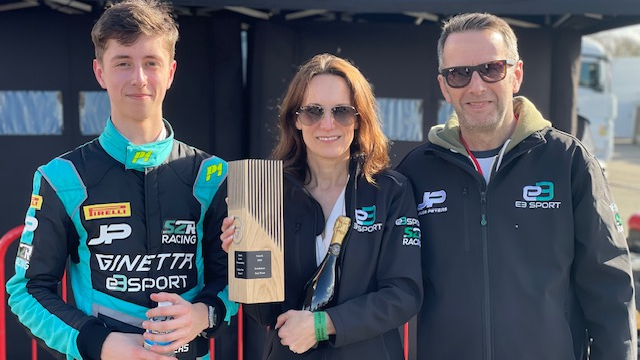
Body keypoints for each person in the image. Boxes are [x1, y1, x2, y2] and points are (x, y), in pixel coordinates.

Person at [396, 12, 637, 360]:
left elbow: (609, 287)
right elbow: (390, 291)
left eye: (491, 69)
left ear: (516, 75)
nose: (476, 85)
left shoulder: (568, 162)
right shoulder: (416, 172)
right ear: (444, 86)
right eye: (459, 73)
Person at [6, 1, 237, 359]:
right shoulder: (61, 177)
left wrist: (202, 313)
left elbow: (235, 279)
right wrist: (101, 344)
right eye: (123, 63)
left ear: (171, 71)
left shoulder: (212, 175)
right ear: (100, 72)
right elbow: (29, 291)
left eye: (151, 63)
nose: (139, 78)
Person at [220, 53, 423, 359]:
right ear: (296, 120)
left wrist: (324, 324)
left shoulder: (390, 191)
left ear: (359, 119)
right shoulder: (267, 193)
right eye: (313, 112)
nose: (327, 123)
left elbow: (403, 294)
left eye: (341, 111)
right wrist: (241, 259)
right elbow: (264, 313)